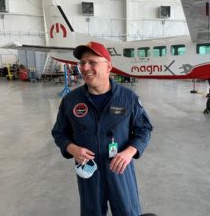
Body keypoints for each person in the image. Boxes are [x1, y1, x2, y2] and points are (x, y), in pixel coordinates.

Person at [51, 41, 153, 216]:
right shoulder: (71, 101)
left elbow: (144, 129)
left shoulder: (128, 98)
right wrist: (72, 148)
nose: (85, 67)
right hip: (89, 172)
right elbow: (59, 132)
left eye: (92, 62)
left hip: (119, 170)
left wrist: (129, 151)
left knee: (127, 212)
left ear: (108, 67)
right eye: (82, 63)